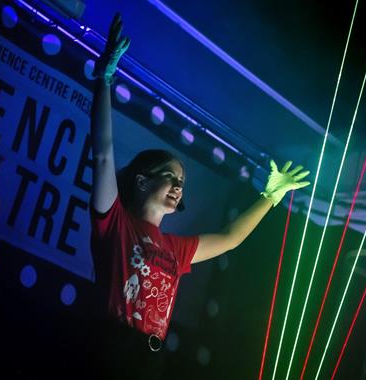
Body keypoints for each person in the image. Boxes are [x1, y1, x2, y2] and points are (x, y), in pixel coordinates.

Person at [87, 13, 310, 379]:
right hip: (112, 347)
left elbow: (230, 239)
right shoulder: (115, 221)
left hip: (149, 359)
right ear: (142, 181)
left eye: (183, 182)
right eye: (171, 177)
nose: (178, 186)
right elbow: (103, 154)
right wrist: (105, 80)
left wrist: (270, 196)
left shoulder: (175, 249)